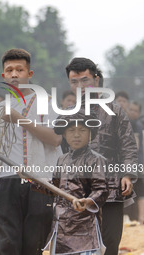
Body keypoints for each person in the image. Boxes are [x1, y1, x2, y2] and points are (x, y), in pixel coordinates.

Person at [0, 48, 62, 255]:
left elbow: (55, 138)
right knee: (7, 244)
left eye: (20, 70)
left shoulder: (46, 102)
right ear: (3, 76)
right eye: (9, 70)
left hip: (39, 182)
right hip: (5, 182)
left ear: (29, 74)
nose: (14, 74)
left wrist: (18, 118)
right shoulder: (1, 108)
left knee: (34, 243)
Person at [65, 57, 138, 255]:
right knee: (79, 243)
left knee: (110, 241)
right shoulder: (67, 114)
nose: (80, 86)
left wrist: (127, 175)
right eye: (74, 81)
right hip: (77, 190)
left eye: (85, 80)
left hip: (111, 188)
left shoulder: (114, 110)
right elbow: (61, 151)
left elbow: (128, 145)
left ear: (96, 80)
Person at [43, 110, 109, 255]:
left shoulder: (96, 160)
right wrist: (32, 179)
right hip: (61, 225)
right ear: (65, 135)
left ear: (90, 134)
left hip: (85, 226)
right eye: (71, 130)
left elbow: (102, 189)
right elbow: (53, 188)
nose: (77, 135)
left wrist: (89, 201)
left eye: (82, 130)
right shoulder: (62, 159)